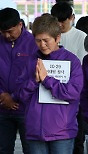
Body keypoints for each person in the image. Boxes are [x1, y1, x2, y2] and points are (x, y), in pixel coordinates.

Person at [15, 14, 83, 154]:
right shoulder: (30, 61)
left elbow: (73, 93)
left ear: (57, 38)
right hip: (35, 130)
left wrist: (47, 80)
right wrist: (34, 81)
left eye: (46, 40)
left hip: (62, 132)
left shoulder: (72, 61)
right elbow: (20, 95)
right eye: (38, 41)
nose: (42, 45)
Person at [0, 7, 38, 154]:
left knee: (30, 150)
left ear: (20, 25)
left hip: (27, 108)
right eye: (3, 32)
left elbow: (36, 76)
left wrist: (15, 97)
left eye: (10, 31)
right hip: (2, 107)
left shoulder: (34, 43)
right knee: (3, 150)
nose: (7, 35)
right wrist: (3, 95)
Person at [51, 2, 87, 154]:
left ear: (72, 18)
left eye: (63, 21)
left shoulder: (81, 36)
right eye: (56, 20)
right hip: (51, 94)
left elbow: (81, 67)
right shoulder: (48, 36)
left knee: (77, 138)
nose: (59, 24)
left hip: (73, 94)